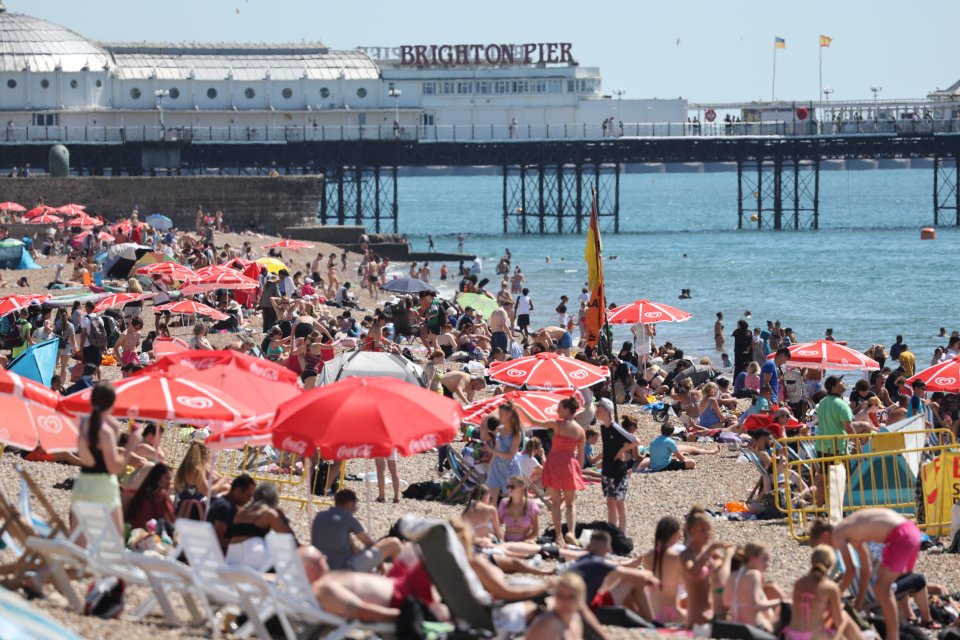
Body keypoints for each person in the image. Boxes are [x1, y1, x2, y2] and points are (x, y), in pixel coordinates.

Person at [810, 508, 923, 640]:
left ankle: (893, 636)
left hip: (900, 535)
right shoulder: (851, 531)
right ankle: (909, 624)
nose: (828, 549)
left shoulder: (838, 533)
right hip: (911, 531)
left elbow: (850, 571)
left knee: (882, 588)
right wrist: (859, 602)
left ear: (824, 535)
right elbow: (866, 569)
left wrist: (834, 595)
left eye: (822, 545)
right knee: (892, 584)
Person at [73, 382, 141, 541]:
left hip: (83, 484)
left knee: (81, 543)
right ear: (113, 403)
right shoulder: (105, 432)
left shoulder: (85, 425)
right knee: (115, 540)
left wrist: (116, 431)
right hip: (103, 486)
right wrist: (131, 445)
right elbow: (114, 468)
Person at [517, 396, 586, 548]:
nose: (557, 410)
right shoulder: (580, 431)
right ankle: (571, 533)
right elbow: (580, 457)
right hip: (569, 465)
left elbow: (534, 422)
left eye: (560, 408)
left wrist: (521, 409)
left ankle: (559, 536)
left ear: (568, 410)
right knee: (570, 503)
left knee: (555, 504)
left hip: (554, 464)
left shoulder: (557, 425)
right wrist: (577, 473)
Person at [568, 530, 658, 619]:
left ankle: (640, 617)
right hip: (591, 608)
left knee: (624, 578)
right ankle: (651, 620)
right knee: (632, 581)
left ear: (589, 547)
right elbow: (638, 576)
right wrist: (652, 576)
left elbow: (616, 568)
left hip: (580, 604)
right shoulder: (598, 563)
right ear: (609, 549)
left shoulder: (584, 559)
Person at [311, 489, 401, 573]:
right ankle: (398, 579)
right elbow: (369, 543)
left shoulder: (320, 516)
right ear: (349, 504)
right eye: (354, 506)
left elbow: (352, 548)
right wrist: (380, 564)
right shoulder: (347, 518)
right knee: (394, 543)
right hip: (344, 569)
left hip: (321, 567)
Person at [783, 545, 859, 640]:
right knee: (844, 618)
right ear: (830, 564)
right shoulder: (830, 587)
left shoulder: (799, 583)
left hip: (791, 635)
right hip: (814, 636)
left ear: (811, 561)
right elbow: (838, 621)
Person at [225, 483, 294, 570]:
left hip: (232, 558)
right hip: (253, 558)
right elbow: (288, 538)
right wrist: (282, 518)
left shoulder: (241, 512)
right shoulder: (268, 513)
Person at [723, 543, 782, 632]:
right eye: (765, 559)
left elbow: (726, 601)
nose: (768, 564)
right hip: (755, 627)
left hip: (735, 626)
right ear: (752, 558)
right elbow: (756, 605)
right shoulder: (754, 574)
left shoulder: (733, 575)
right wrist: (781, 602)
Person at [641, 516, 686, 625]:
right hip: (675, 614)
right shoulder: (677, 557)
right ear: (673, 533)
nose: (680, 535)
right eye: (678, 532)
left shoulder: (647, 557)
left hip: (653, 613)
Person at [596, 398, 633, 531]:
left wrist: (622, 451)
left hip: (618, 472)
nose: (597, 409)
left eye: (599, 407)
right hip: (607, 470)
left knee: (619, 504)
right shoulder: (603, 427)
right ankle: (613, 533)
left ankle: (621, 534)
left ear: (606, 410)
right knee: (610, 503)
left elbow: (635, 440)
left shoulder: (615, 427)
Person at [525, 573, 591, 640]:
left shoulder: (575, 619)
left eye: (571, 597)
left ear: (581, 599)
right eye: (561, 596)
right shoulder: (547, 625)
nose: (565, 601)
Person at [206, 473, 257, 552]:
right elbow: (218, 540)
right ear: (238, 490)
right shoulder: (224, 508)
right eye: (248, 495)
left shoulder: (225, 504)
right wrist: (243, 541)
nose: (249, 500)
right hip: (222, 556)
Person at [482, 403, 523, 498]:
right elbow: (497, 447)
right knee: (492, 498)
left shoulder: (516, 433)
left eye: (501, 414)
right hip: (496, 466)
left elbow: (510, 455)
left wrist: (491, 451)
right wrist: (492, 462)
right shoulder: (499, 430)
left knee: (512, 498)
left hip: (510, 467)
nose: (499, 417)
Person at [124, 462, 175, 530]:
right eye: (167, 478)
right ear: (158, 478)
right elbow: (172, 521)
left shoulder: (141, 494)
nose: (170, 482)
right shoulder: (161, 498)